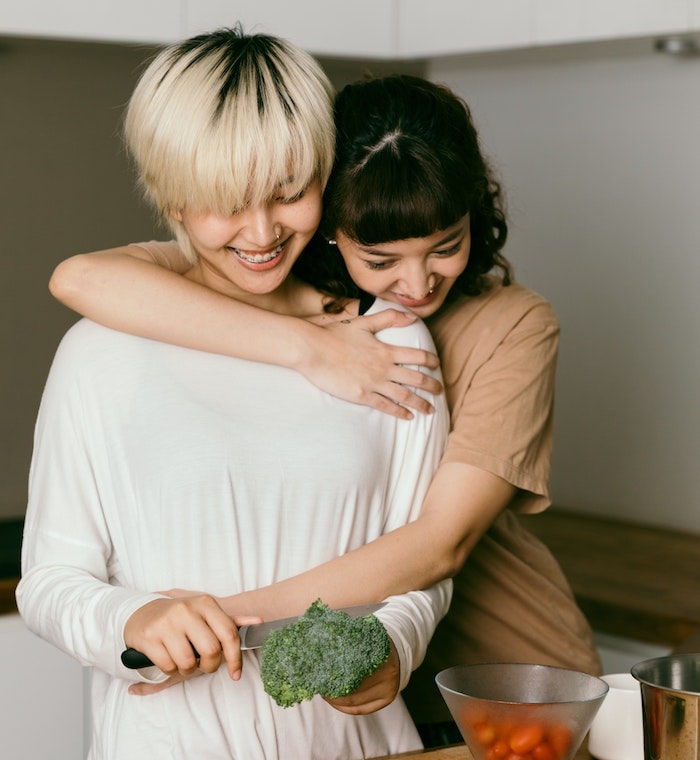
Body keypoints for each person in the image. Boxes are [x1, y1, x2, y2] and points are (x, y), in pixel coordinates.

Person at [48, 72, 603, 745]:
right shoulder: (282, 293)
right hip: (363, 697)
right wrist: (307, 347)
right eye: (381, 257)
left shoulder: (502, 326)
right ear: (336, 229)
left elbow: (440, 543)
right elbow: (82, 279)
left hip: (499, 677)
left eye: (447, 246)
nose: (416, 282)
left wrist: (222, 622)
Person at [16, 29, 452, 760]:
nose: (261, 233)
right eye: (226, 202)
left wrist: (392, 643)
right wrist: (133, 617)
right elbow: (50, 584)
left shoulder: (392, 342)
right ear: (172, 199)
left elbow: (423, 566)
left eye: (290, 192)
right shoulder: (101, 353)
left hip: (359, 744)